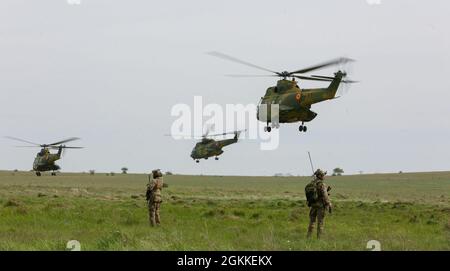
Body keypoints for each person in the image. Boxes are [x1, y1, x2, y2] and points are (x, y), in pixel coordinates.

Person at [305, 169, 332, 239]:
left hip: (313, 205)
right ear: (320, 176)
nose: (324, 176)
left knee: (312, 222)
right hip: (321, 206)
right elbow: (325, 196)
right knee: (320, 223)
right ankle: (319, 239)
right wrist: (329, 204)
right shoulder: (322, 184)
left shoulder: (312, 183)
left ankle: (308, 237)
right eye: (323, 175)